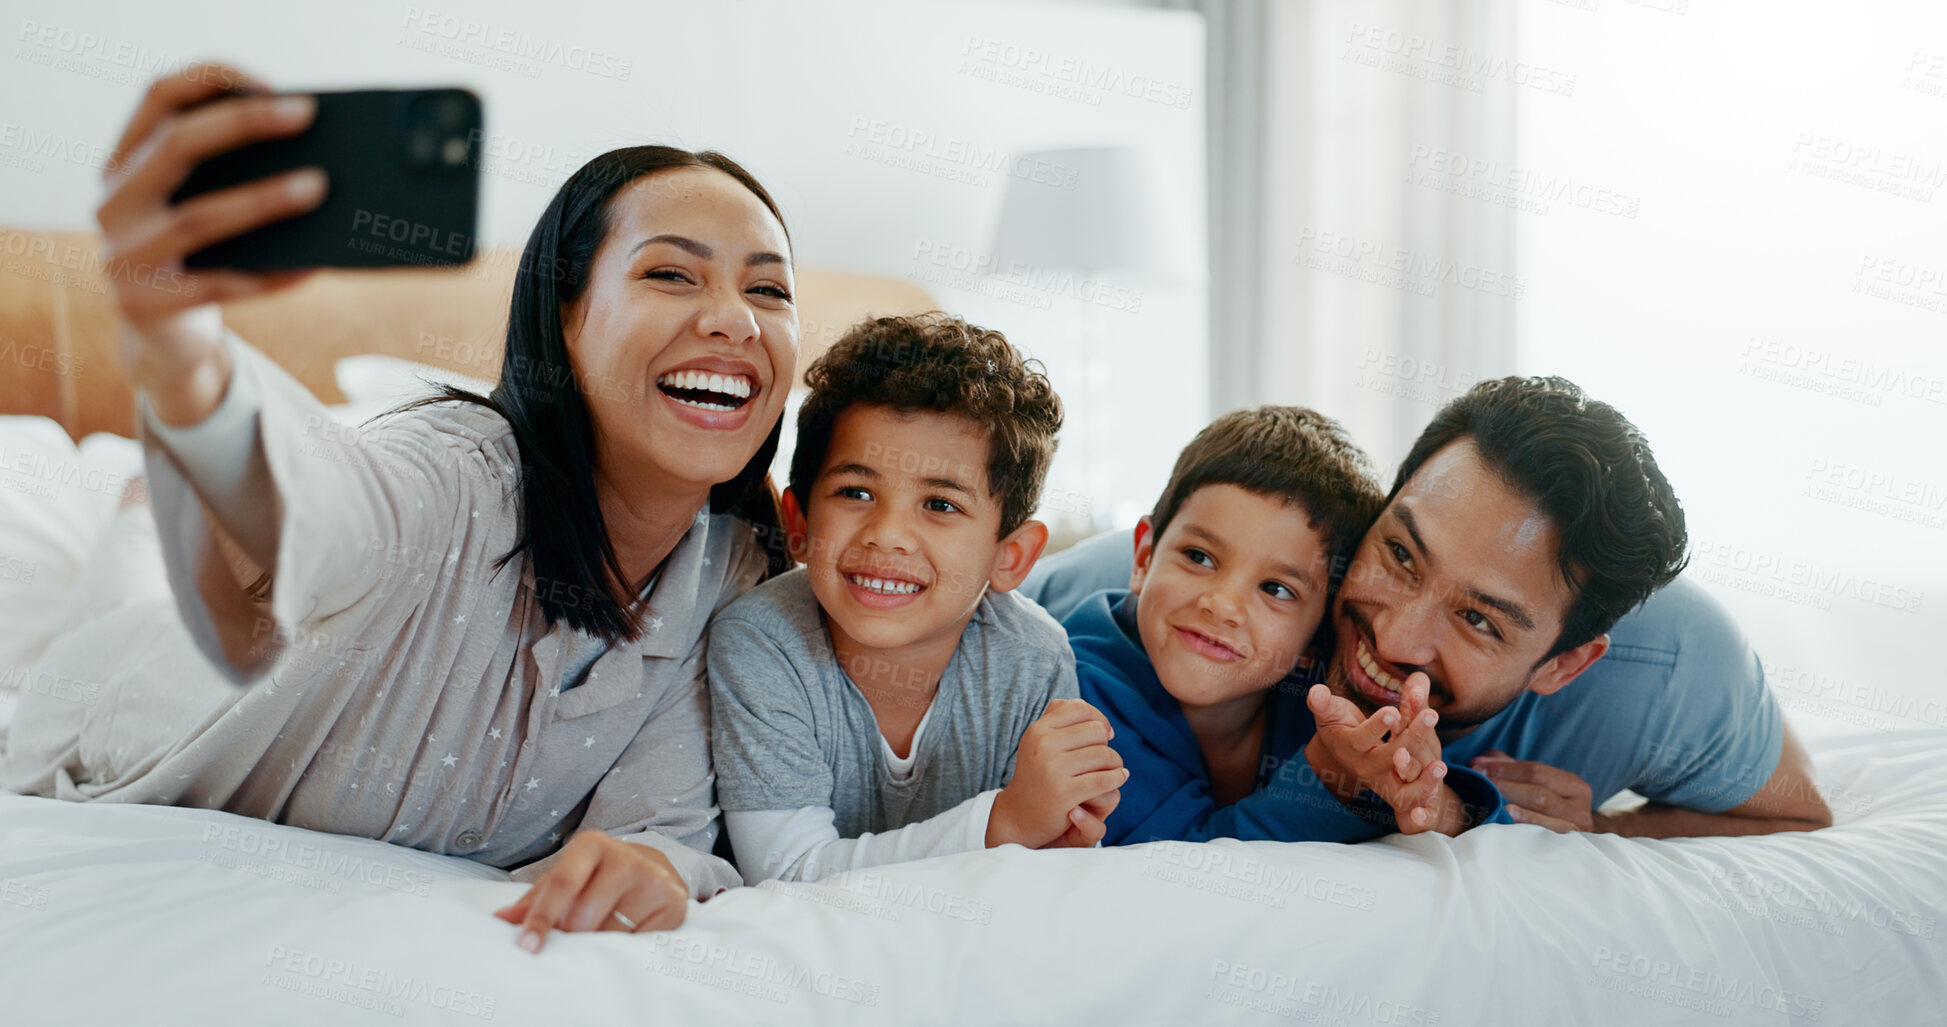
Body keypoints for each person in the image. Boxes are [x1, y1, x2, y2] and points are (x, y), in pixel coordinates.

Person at [0, 64, 800, 951]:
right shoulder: (452, 479)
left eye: (768, 289)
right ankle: (145, 508)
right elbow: (309, 501)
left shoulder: (729, 574)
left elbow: (660, 822)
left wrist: (659, 867)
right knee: (123, 596)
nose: (735, 319)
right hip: (126, 721)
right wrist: (178, 345)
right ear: (565, 319)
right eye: (672, 275)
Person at [1026, 377, 1832, 838]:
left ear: (1563, 662)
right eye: (1400, 553)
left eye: (1479, 620)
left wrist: (1609, 831)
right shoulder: (1142, 598)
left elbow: (1796, 808)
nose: (1392, 635)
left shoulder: (1663, 669)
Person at [708, 313, 1125, 883]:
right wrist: (1002, 825)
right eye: (856, 492)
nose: (889, 534)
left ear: (1011, 557)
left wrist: (1061, 832)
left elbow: (1048, 868)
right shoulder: (761, 642)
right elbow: (787, 875)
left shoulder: (1034, 658)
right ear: (798, 524)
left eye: (940, 505)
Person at [1069, 406, 1508, 845]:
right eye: (1199, 557)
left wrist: (1441, 801)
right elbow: (1176, 863)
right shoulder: (1080, 696)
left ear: (1317, 637)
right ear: (1144, 558)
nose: (1223, 606)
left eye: (1276, 589)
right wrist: (1328, 774)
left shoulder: (1321, 700)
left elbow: (1441, 797)